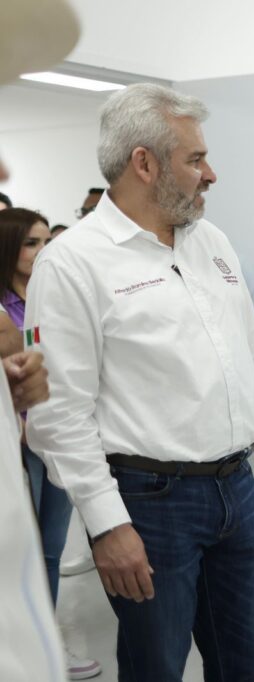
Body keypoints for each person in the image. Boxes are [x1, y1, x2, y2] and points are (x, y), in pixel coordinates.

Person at [25, 82, 254, 681]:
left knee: (245, 664)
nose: (211, 174)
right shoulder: (72, 263)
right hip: (150, 502)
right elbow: (58, 413)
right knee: (156, 668)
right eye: (195, 159)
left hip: (238, 488)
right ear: (143, 164)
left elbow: (249, 354)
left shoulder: (211, 242)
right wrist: (106, 523)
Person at [0, 208, 101, 680]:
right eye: (31, 243)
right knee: (21, 546)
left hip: (58, 435)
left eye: (47, 241)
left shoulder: (54, 296)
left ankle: (49, 639)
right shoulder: (3, 311)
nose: (43, 251)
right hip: (17, 443)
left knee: (52, 546)